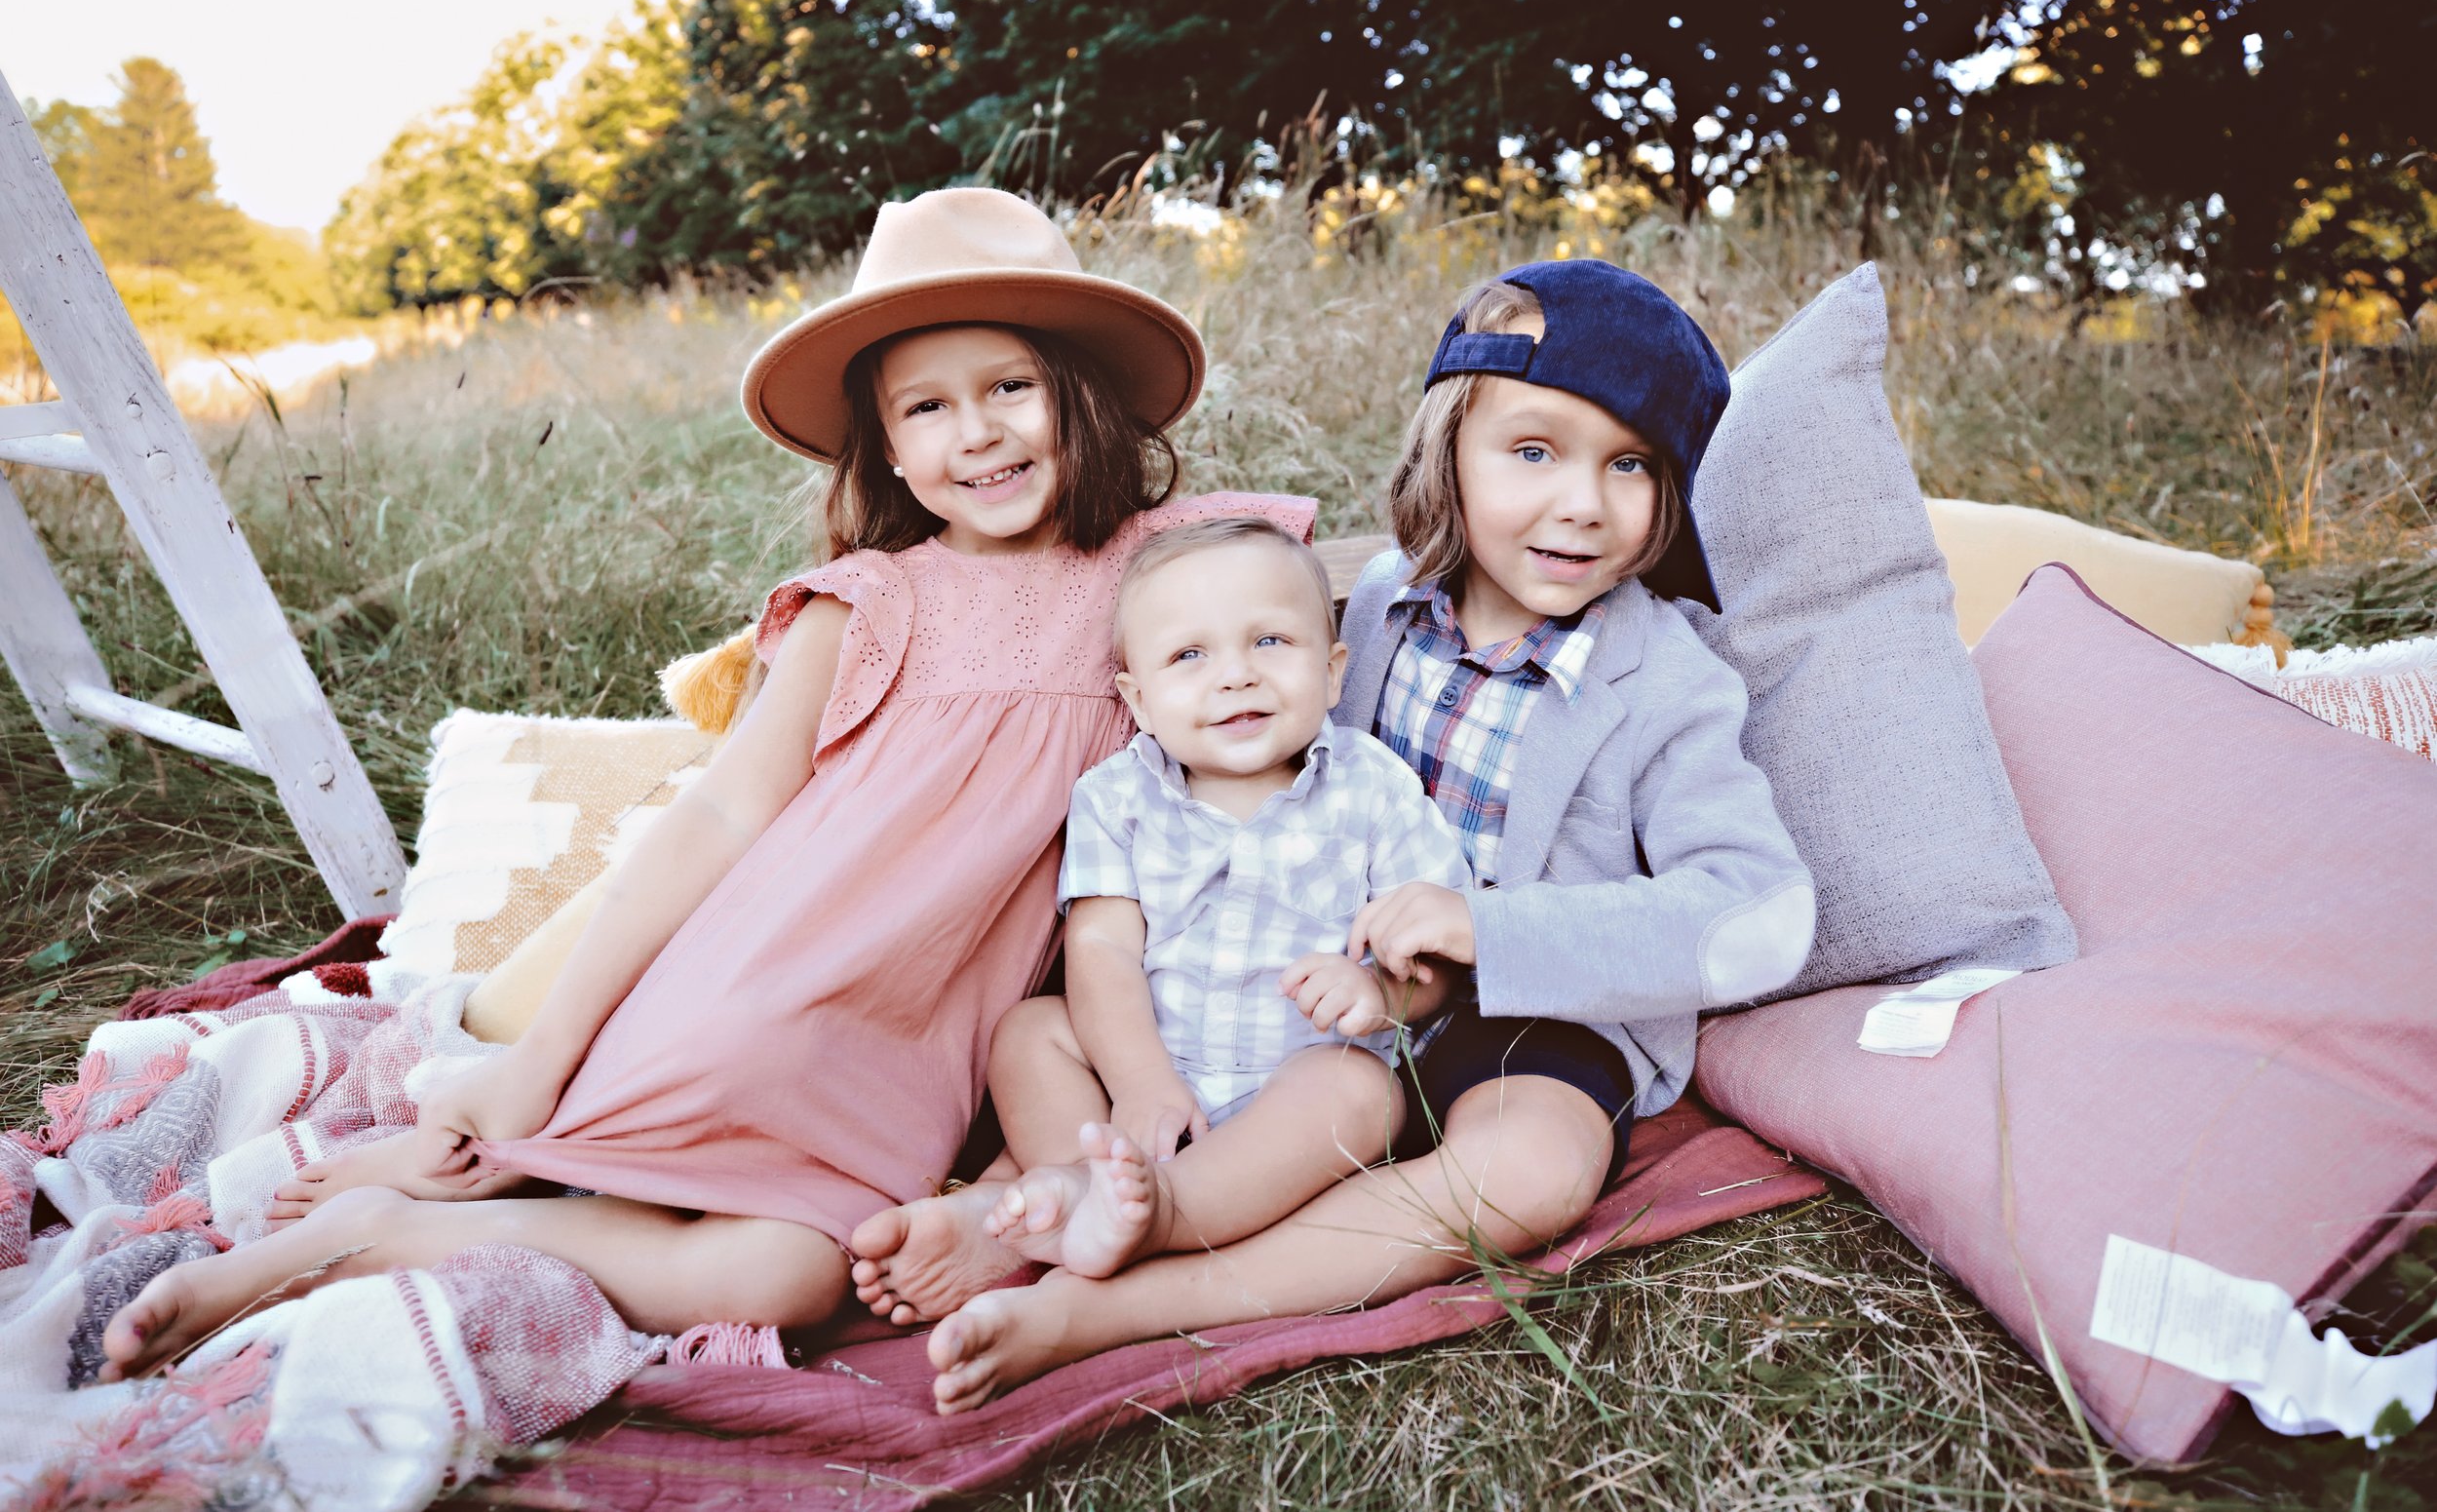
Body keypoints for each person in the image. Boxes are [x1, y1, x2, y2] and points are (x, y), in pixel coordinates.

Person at [96, 186, 1312, 1380]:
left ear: (1075, 392)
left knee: (791, 1275)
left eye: (1009, 386)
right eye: (926, 406)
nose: (977, 432)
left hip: (919, 1046)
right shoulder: (873, 601)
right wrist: (543, 1047)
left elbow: (1319, 612)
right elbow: (722, 813)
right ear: (886, 444)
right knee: (676, 1194)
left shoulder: (1167, 573)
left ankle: (417, 1218)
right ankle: (461, 1156)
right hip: (766, 986)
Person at [880, 257, 1817, 1413]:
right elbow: (1221, 633)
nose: (1581, 501)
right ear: (1446, 454)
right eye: (1532, 452)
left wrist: (1485, 924)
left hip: (1529, 1013)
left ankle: (1116, 1304)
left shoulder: (1668, 679)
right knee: (1046, 1029)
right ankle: (1028, 1205)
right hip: (1318, 998)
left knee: (1530, 1171)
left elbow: (1758, 908)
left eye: (1630, 464)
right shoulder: (1376, 603)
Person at [970, 516, 1472, 1285]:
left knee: (1363, 1094)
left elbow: (1434, 947)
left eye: (1271, 641)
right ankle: (1084, 1182)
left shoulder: (1372, 785)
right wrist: (1139, 1080)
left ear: (1334, 671)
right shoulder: (1117, 795)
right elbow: (1101, 950)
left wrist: (1379, 991)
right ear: (1136, 698)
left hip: (1294, 1082)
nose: (1235, 675)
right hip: (1147, 1074)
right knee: (1030, 1033)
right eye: (1189, 655)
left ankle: (1158, 1212)